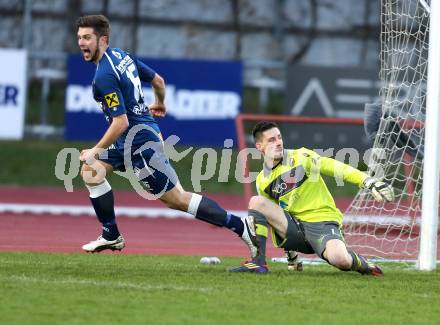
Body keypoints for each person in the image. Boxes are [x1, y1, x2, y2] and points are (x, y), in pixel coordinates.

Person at [76, 14, 258, 256]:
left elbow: (120, 122)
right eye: (79, 37)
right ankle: (111, 234)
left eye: (87, 37)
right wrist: (160, 103)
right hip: (131, 139)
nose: (81, 42)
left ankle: (241, 225)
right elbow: (158, 80)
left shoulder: (104, 76)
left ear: (103, 40)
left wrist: (95, 150)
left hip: (140, 144)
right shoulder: (122, 56)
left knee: (177, 199)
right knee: (90, 172)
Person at [229, 121, 394, 275]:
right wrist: (291, 254)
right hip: (296, 230)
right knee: (256, 202)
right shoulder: (262, 180)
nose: (278, 142)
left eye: (279, 137)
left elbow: (333, 166)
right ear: (259, 146)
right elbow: (276, 216)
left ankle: (361, 263)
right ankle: (258, 262)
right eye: (271, 140)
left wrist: (367, 181)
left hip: (322, 222)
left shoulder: (301, 156)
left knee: (339, 259)